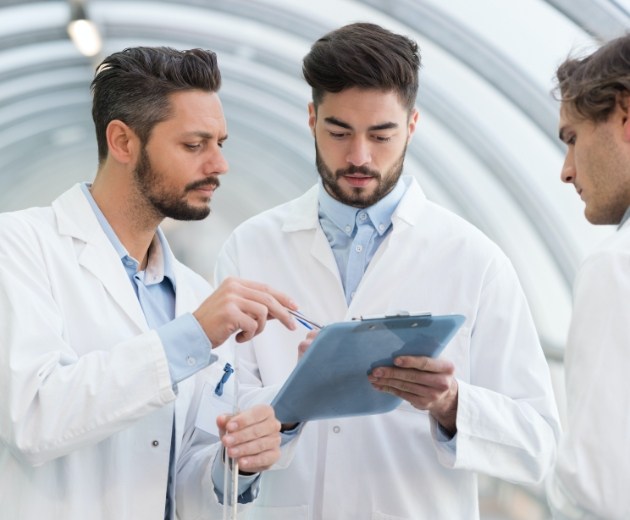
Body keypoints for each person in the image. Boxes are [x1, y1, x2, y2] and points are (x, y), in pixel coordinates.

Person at [213, 22, 561, 519]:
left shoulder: (474, 259)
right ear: (311, 119)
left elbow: (539, 441)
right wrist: (294, 399)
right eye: (338, 131)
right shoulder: (250, 247)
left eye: (381, 134)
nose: (359, 156)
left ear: (412, 125)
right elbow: (218, 425)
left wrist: (451, 404)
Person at [0, 46, 300, 520]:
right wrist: (192, 336)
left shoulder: (195, 294)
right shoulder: (18, 247)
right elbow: (34, 418)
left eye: (221, 143)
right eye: (194, 145)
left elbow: (179, 474)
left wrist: (236, 465)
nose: (219, 165)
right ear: (122, 142)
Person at [545, 34, 630, 520]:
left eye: (573, 138)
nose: (566, 170)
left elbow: (597, 494)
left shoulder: (617, 267)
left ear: (624, 114)